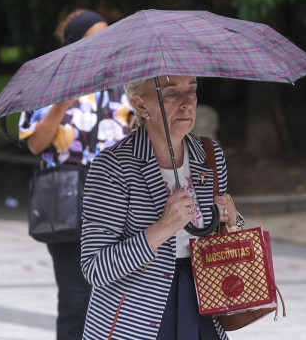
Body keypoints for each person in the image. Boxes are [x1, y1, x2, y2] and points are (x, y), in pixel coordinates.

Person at [80, 75, 239, 340]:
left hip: (203, 306)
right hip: (135, 318)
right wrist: (163, 227)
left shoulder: (210, 154)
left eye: (192, 90)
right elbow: (95, 268)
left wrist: (231, 218)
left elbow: (218, 234)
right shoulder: (112, 166)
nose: (187, 103)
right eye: (170, 94)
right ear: (141, 106)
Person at [18, 9, 130, 340]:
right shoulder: (50, 84)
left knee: (118, 300)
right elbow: (36, 145)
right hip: (68, 205)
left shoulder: (122, 85)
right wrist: (60, 106)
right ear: (74, 43)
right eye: (96, 35)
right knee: (75, 301)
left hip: (116, 203)